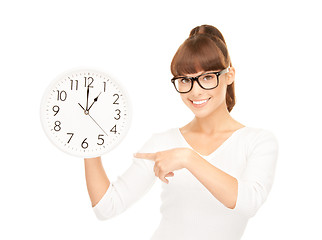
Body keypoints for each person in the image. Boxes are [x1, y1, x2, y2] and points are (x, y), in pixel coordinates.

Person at [84, 24, 279, 240]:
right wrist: (89, 143)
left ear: (229, 75)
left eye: (207, 77)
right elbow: (107, 207)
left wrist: (188, 158)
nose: (195, 91)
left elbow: (248, 203)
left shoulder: (258, 142)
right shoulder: (163, 143)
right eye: (185, 80)